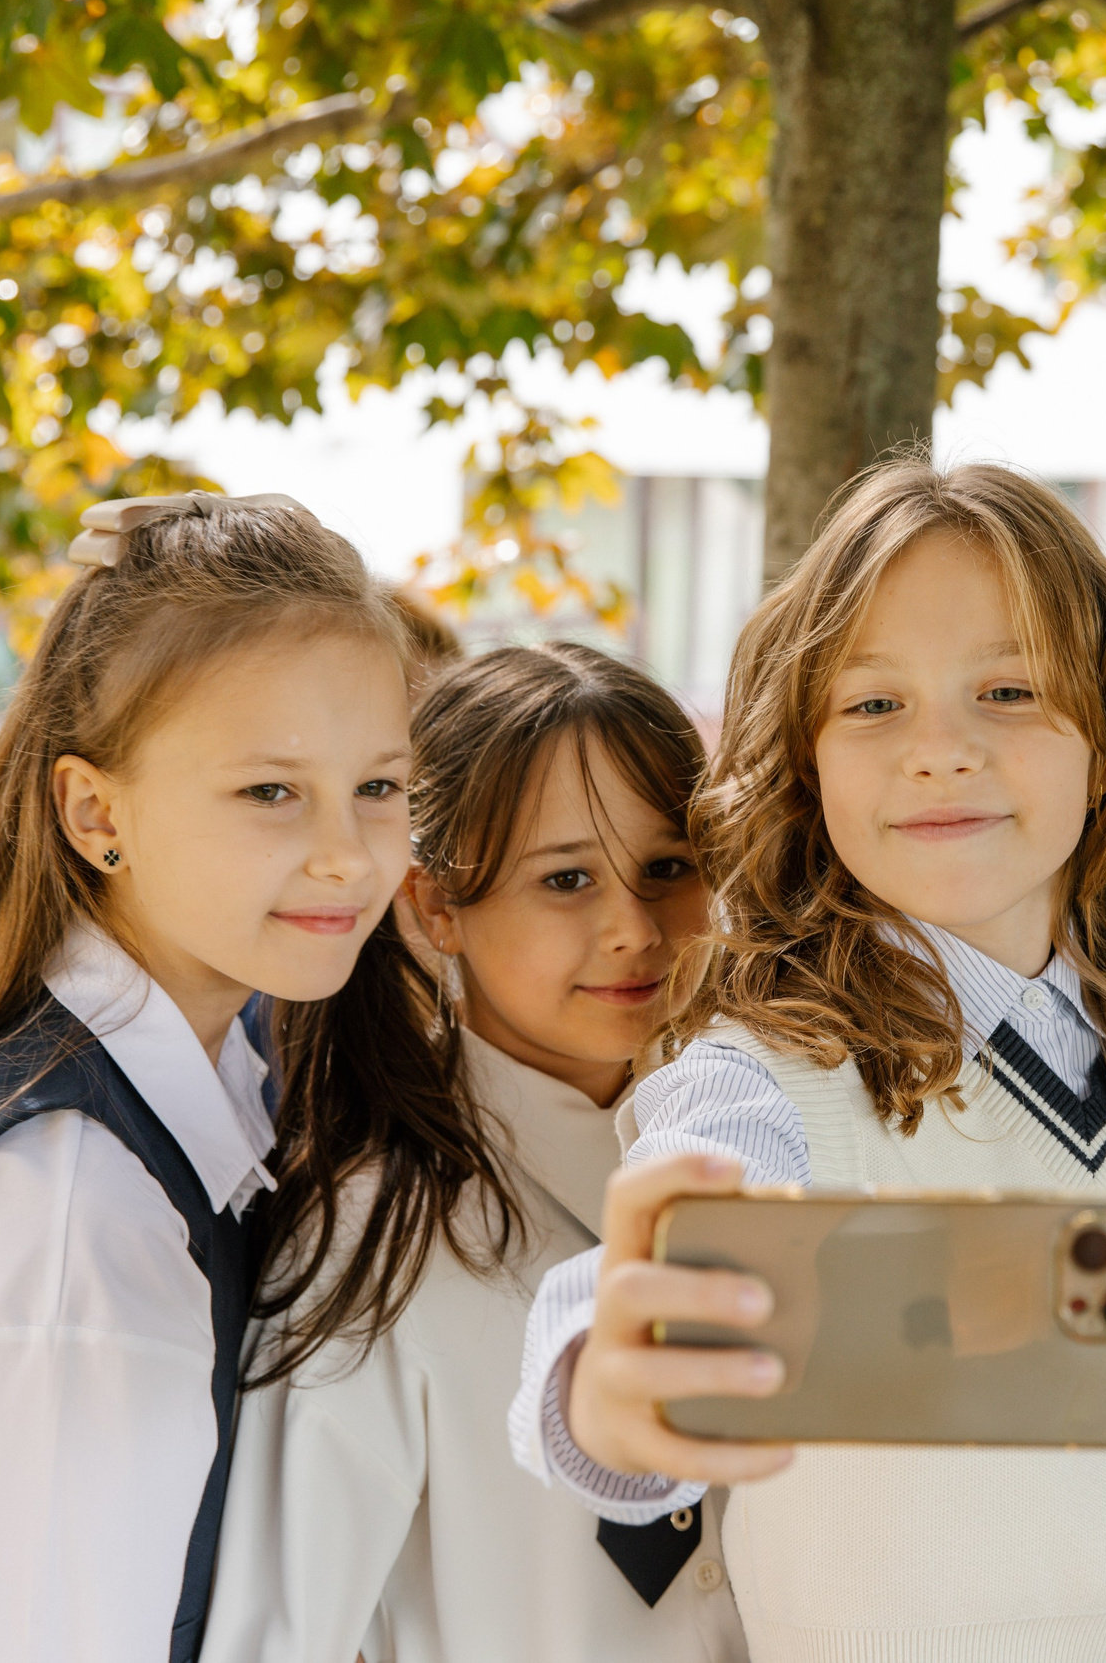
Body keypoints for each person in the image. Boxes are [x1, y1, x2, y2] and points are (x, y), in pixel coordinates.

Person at [511, 459, 1106, 1662]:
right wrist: (609, 1384)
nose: (938, 748)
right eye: (875, 704)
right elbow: (657, 1270)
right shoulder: (759, 1076)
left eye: (1006, 690)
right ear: (806, 761)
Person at [0, 493, 518, 1663]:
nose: (349, 855)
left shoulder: (205, 1066)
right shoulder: (78, 1220)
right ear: (96, 811)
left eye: (380, 787)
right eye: (269, 791)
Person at [202, 643, 742, 1662]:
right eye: (566, 879)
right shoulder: (371, 1241)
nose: (633, 927)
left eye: (667, 869)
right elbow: (279, 1635)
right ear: (436, 906)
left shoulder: (770, 1158)